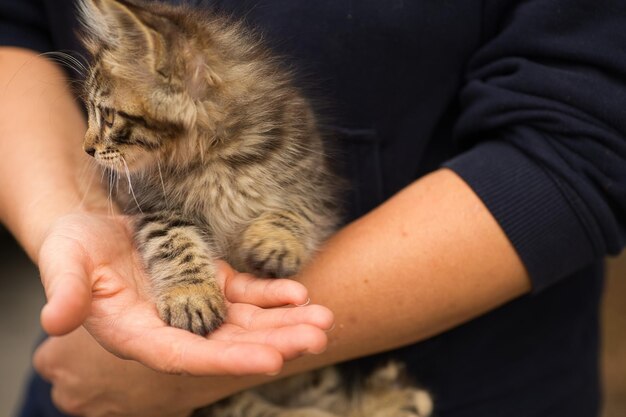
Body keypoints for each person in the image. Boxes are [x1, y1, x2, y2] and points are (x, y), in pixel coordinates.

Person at [1, 0, 625, 416]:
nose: (93, 144)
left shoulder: (274, 131)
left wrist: (197, 370)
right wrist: (62, 217)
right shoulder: (155, 150)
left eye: (109, 122)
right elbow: (13, 26)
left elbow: (584, 139)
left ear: (186, 87)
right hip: (101, 366)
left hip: (475, 378)